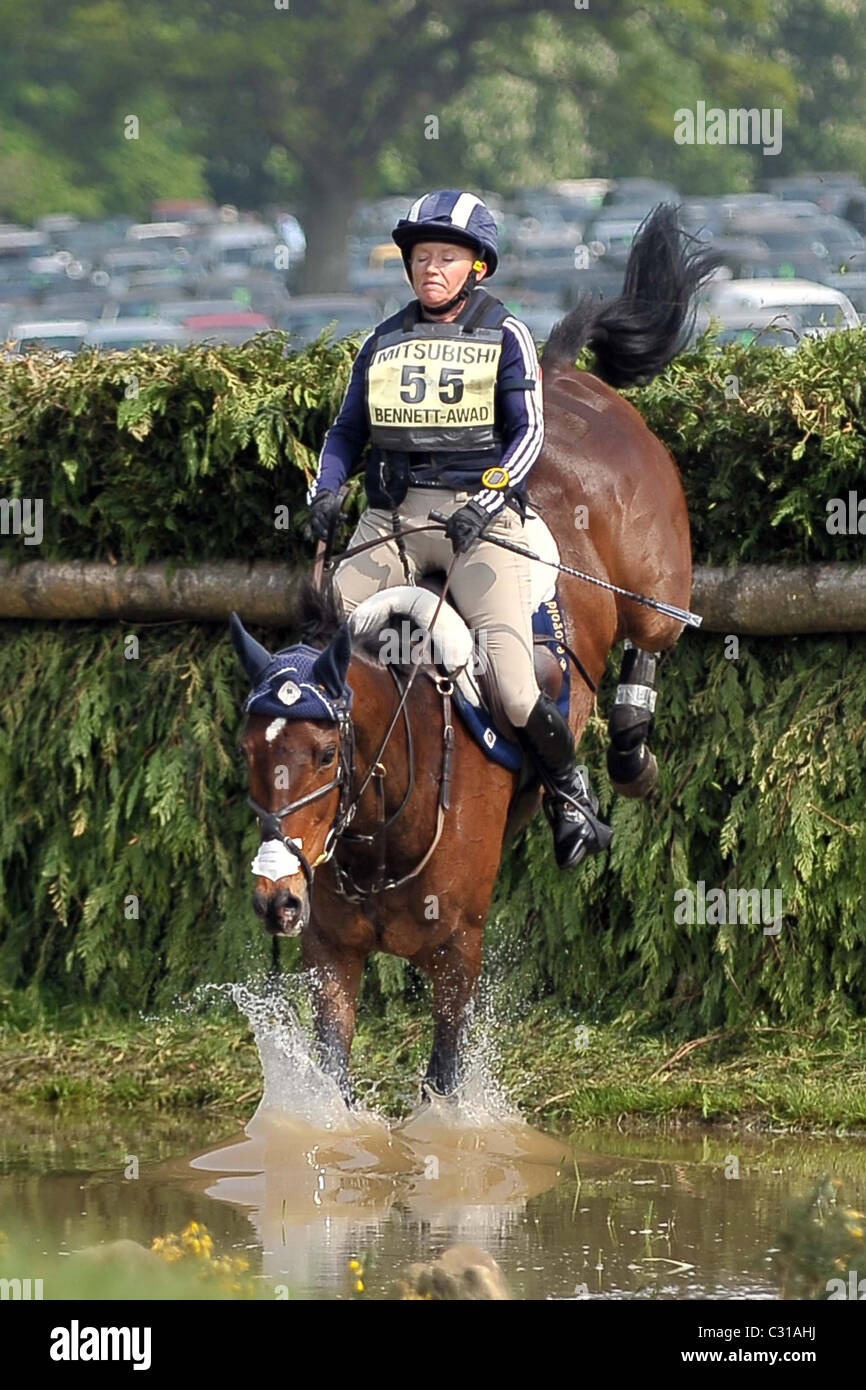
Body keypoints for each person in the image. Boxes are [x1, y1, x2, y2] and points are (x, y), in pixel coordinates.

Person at [306, 189, 611, 869]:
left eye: (445, 256)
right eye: (421, 257)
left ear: (477, 266)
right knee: (326, 646)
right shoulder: (382, 340)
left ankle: (568, 791)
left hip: (481, 520)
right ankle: (323, 802)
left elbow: (529, 434)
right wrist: (327, 489)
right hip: (392, 519)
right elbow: (346, 432)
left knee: (513, 684)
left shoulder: (505, 333)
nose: (430, 268)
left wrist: (491, 495)